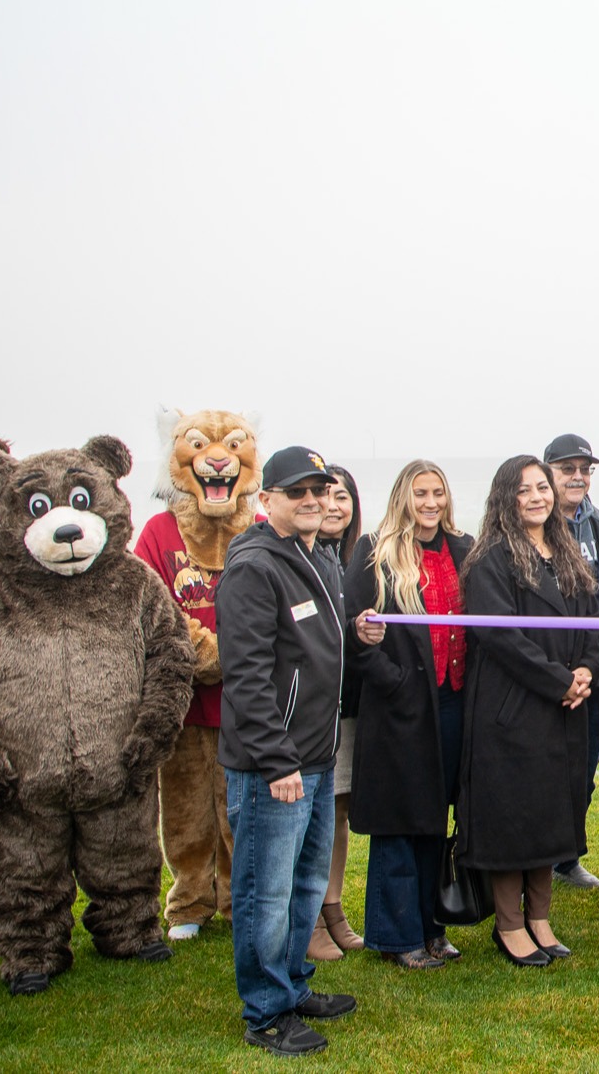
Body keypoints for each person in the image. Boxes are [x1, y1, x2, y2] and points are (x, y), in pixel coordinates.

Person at [218, 445, 381, 1056]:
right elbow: (248, 673)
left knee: (305, 884)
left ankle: (292, 985)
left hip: (315, 754)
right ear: (267, 501)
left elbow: (316, 647)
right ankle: (265, 1012)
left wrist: (356, 633)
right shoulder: (255, 566)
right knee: (266, 890)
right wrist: (275, 759)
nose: (313, 500)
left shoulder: (317, 557)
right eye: (298, 492)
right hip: (275, 765)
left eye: (320, 489)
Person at [459, 456, 599, 968]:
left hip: (565, 709)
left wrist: (589, 672)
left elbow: (595, 623)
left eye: (541, 487)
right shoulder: (491, 558)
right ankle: (509, 925)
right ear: (506, 496)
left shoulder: (567, 552)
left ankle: (541, 918)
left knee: (553, 815)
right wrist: (558, 681)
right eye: (524, 490)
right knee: (514, 820)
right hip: (513, 710)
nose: (537, 497)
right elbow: (500, 636)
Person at [344, 461, 471, 970]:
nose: (431, 503)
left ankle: (431, 925)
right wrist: (393, 679)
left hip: (452, 703)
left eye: (438, 492)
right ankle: (397, 936)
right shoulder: (375, 551)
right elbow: (355, 633)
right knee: (400, 820)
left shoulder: (463, 549)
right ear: (404, 496)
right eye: (421, 493)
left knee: (435, 819)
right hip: (400, 709)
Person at [546, 433, 599, 892]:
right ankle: (542, 852)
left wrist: (595, 666)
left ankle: (568, 855)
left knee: (585, 768)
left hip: (594, 668)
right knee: (546, 767)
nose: (577, 476)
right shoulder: (534, 524)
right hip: (549, 669)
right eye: (567, 468)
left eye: (584, 469)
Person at [310, 465, 366, 961]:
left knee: (338, 811)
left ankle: (333, 908)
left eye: (342, 496)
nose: (333, 505)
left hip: (349, 706)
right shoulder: (301, 555)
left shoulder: (361, 557)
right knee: (308, 813)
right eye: (323, 495)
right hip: (308, 710)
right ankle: (306, 919)